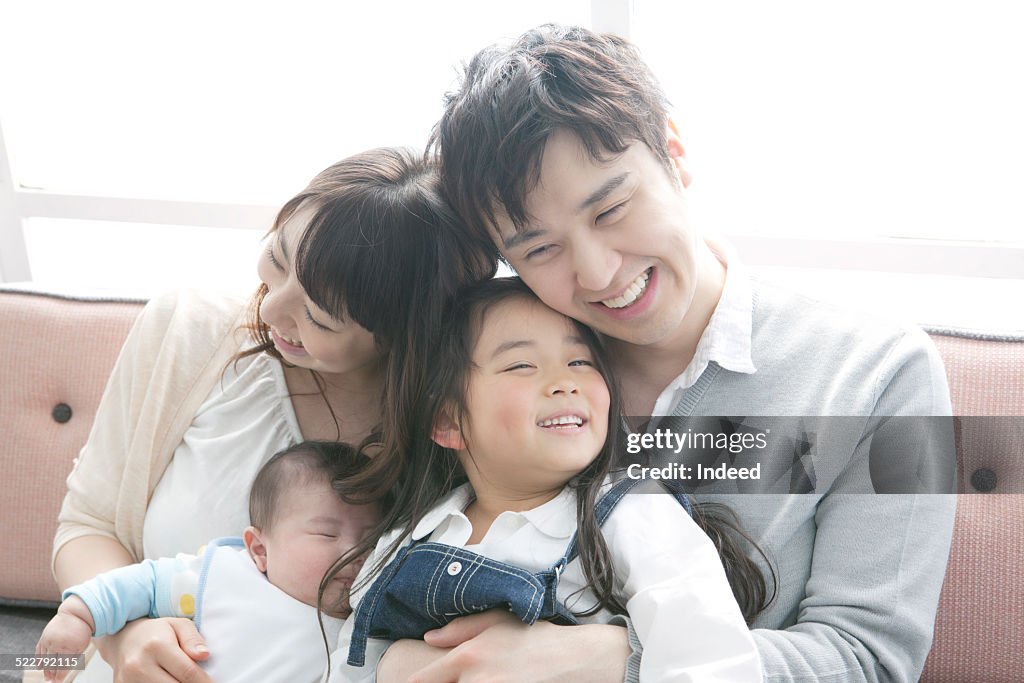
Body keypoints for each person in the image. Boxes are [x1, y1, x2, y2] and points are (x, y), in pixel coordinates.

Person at [410, 24, 957, 683]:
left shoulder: (880, 373)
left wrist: (622, 660)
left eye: (611, 208)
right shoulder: (509, 375)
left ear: (674, 151)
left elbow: (870, 659)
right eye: (540, 250)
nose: (598, 271)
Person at [49, 148, 494, 683]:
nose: (270, 310)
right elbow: (88, 523)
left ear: (403, 336)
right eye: (278, 260)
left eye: (318, 317)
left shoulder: (457, 427)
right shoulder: (188, 331)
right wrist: (126, 635)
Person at [329, 277, 767, 682]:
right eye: (521, 365)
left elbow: (710, 656)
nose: (565, 382)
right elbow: (351, 661)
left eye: (580, 360)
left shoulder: (633, 512)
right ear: (448, 420)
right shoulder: (410, 538)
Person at [38, 441, 379, 683]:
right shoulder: (223, 575)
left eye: (371, 539)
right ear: (259, 549)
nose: (354, 552)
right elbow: (145, 583)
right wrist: (78, 615)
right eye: (326, 535)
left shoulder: (372, 621)